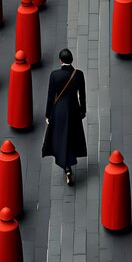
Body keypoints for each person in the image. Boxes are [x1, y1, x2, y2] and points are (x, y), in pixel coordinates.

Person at [42, 48, 87, 185]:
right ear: (72, 60)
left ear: (60, 60)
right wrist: (82, 111)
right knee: (71, 136)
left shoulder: (54, 75)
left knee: (61, 137)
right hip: (73, 110)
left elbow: (51, 97)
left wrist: (48, 114)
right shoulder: (78, 75)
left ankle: (67, 167)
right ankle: (68, 165)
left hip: (59, 111)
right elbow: (82, 96)